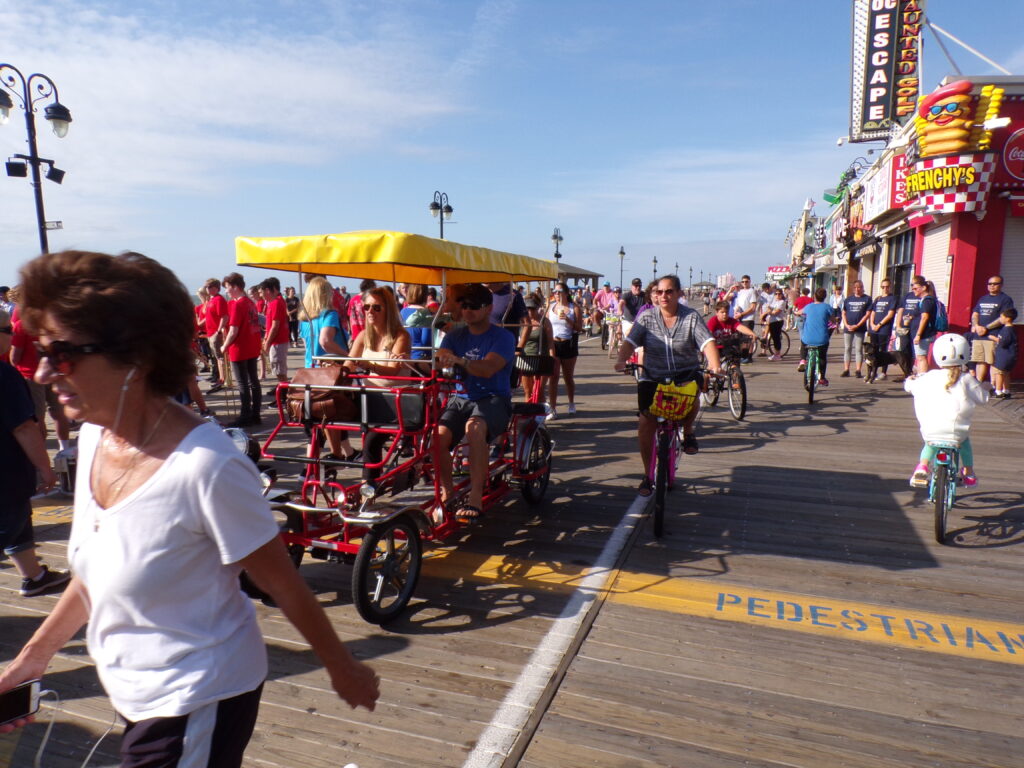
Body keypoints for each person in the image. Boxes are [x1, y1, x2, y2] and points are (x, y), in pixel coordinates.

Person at [0, 250, 378, 763]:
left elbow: (281, 581)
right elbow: (98, 575)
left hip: (197, 697)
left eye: (62, 354)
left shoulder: (207, 467)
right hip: (135, 689)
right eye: (41, 350)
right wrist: (32, 658)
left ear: (136, 356)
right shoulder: (92, 437)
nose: (43, 372)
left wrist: (343, 668)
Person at [614, 275, 721, 496]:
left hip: (684, 373)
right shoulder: (646, 318)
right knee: (645, 422)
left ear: (679, 293)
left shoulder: (691, 317)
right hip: (653, 376)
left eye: (669, 291)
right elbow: (631, 341)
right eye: (660, 292)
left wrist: (715, 365)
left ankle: (688, 431)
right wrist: (621, 360)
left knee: (694, 394)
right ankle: (647, 475)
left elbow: (707, 342)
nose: (664, 296)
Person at [0, 309, 70, 598]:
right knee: (10, 521)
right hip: (7, 473)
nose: (11, 336)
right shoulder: (4, 376)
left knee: (20, 522)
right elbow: (24, 428)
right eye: (7, 331)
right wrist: (45, 467)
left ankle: (35, 576)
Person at [434, 283, 515, 520]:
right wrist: (440, 361)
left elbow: (488, 368)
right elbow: (439, 360)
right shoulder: (453, 336)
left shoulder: (503, 337)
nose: (467, 311)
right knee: (437, 436)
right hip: (461, 398)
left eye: (474, 306)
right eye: (464, 305)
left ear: (488, 308)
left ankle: (476, 495)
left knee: (474, 428)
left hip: (494, 399)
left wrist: (460, 361)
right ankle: (447, 491)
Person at [345, 287, 415, 482]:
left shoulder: (400, 336)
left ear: (388, 310)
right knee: (326, 416)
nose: (370, 312)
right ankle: (336, 455)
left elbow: (393, 370)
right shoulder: (362, 336)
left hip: (395, 402)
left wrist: (368, 365)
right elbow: (348, 364)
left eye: (376, 307)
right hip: (370, 399)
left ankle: (368, 486)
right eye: (366, 307)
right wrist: (334, 367)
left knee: (371, 441)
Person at [905, 333, 988, 488]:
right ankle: (969, 472)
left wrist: (909, 380)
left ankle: (922, 467)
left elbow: (910, 387)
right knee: (964, 442)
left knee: (930, 443)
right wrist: (985, 389)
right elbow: (983, 399)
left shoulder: (928, 377)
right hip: (957, 431)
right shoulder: (967, 379)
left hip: (931, 429)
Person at [298, 277, 358, 462]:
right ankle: (310, 468)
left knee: (323, 417)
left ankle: (348, 453)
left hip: (310, 371)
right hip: (329, 372)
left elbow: (307, 344)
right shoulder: (328, 315)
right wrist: (349, 356)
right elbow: (325, 342)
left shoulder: (305, 318)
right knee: (331, 417)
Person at [221, 273, 264, 427]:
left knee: (243, 383)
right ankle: (255, 414)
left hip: (240, 347)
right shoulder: (250, 302)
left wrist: (224, 345)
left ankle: (245, 416)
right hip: (252, 345)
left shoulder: (239, 304)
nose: (226, 291)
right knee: (253, 381)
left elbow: (233, 330)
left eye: (227, 288)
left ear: (235, 287)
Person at [970, 275, 1015, 386]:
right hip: (979, 335)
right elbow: (975, 313)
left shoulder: (1005, 299)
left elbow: (1003, 318)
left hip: (993, 335)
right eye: (989, 284)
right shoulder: (983, 298)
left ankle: (993, 386)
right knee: (980, 361)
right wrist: (977, 326)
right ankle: (979, 385)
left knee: (993, 362)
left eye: (995, 284)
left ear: (1001, 285)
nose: (992, 286)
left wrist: (986, 328)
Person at [546, 282, 582, 419]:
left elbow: (579, 328)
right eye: (555, 291)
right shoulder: (550, 307)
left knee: (568, 377)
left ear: (566, 293)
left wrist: (567, 319)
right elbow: (547, 326)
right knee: (553, 377)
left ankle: (571, 403)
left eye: (559, 291)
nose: (556, 294)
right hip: (554, 344)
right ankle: (553, 409)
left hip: (568, 343)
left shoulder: (574, 308)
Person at [516, 293, 554, 404]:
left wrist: (553, 360)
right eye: (527, 309)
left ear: (538, 308)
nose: (530, 312)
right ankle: (529, 414)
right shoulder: (522, 322)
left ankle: (540, 414)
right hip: (526, 359)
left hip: (542, 359)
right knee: (527, 391)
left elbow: (551, 343)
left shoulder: (545, 322)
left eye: (533, 309)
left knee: (539, 390)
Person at [260, 277, 291, 405]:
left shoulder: (277, 302)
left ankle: (285, 396)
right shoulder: (275, 302)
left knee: (279, 370)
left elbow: (275, 325)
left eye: (261, 292)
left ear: (268, 290)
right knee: (279, 369)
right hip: (277, 340)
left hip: (278, 341)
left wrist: (267, 342)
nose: (261, 295)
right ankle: (284, 394)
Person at [798, 287, 832, 386]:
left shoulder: (808, 307)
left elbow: (800, 312)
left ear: (814, 296)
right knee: (822, 357)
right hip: (822, 339)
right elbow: (833, 320)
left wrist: (796, 313)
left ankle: (803, 360)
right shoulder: (827, 307)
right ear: (825, 297)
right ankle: (822, 377)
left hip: (808, 338)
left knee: (803, 342)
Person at [867, 278, 898, 379]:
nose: (885, 289)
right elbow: (873, 312)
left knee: (883, 351)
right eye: (883, 287)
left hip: (884, 329)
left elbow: (890, 315)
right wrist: (872, 324)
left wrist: (879, 325)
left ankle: (883, 372)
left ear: (890, 287)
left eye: (887, 286)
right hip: (873, 329)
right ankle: (872, 372)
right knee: (873, 351)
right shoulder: (878, 299)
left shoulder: (892, 298)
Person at [840, 280, 872, 378]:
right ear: (853, 289)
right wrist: (846, 324)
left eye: (859, 287)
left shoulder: (867, 299)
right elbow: (844, 312)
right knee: (847, 348)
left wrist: (857, 325)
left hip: (860, 328)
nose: (857, 289)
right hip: (848, 328)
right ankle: (846, 369)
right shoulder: (848, 299)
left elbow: (868, 314)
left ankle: (858, 370)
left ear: (862, 288)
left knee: (858, 349)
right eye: (855, 287)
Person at [203, 278, 230, 392]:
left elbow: (224, 316)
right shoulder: (212, 300)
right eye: (206, 287)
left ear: (216, 288)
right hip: (210, 332)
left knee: (220, 357)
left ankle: (223, 379)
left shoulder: (219, 300)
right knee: (216, 357)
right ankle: (221, 378)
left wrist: (219, 330)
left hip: (215, 332)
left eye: (209, 287)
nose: (207, 289)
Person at [893, 278, 922, 378]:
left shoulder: (922, 297)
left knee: (915, 351)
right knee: (903, 350)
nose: (913, 288)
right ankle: (906, 372)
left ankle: (915, 371)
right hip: (904, 328)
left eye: (915, 285)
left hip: (915, 327)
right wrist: (898, 325)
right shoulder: (907, 296)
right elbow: (901, 310)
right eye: (912, 285)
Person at [909, 276, 936, 374]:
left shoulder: (926, 301)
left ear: (923, 288)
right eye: (912, 288)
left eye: (915, 288)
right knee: (920, 357)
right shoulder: (925, 300)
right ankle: (920, 377)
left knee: (921, 358)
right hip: (922, 334)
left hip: (924, 335)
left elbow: (925, 317)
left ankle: (922, 379)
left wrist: (918, 335)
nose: (913, 291)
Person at [400, 283, 435, 362]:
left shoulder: (402, 312)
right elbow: (426, 340)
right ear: (425, 294)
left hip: (405, 356)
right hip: (421, 358)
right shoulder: (425, 313)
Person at [991, 308, 1018, 398]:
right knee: (1006, 373)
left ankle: (998, 391)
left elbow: (1003, 342)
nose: (1000, 319)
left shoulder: (1007, 330)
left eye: (1002, 317)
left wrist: (994, 338)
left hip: (1004, 356)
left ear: (1008, 318)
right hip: (1011, 355)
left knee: (999, 373)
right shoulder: (1012, 329)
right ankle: (1006, 390)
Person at [732, 276, 758, 363]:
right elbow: (738, 304)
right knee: (741, 339)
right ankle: (743, 355)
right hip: (740, 318)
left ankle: (748, 356)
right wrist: (736, 311)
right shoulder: (741, 292)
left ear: (749, 282)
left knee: (747, 338)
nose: (744, 283)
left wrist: (741, 314)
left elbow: (753, 307)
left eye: (746, 281)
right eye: (742, 282)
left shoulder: (752, 291)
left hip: (748, 318)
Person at [761, 288, 787, 361]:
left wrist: (769, 311)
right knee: (773, 337)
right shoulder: (774, 301)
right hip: (772, 321)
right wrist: (768, 311)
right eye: (776, 294)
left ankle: (778, 354)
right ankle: (775, 353)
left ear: (782, 295)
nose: (777, 295)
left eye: (779, 294)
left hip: (778, 321)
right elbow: (769, 309)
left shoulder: (782, 302)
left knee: (776, 338)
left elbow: (776, 312)